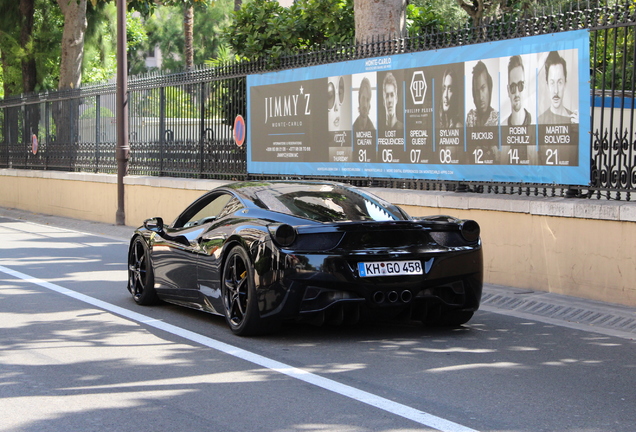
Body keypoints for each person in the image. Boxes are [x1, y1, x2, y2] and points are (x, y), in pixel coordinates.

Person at [539, 51, 579, 124]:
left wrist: (579, 128)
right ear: (547, 85)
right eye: (552, 83)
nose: (556, 91)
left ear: (565, 84)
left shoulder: (574, 120)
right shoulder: (539, 121)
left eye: (560, 82)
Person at [466, 61, 499, 127]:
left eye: (483, 88)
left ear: (489, 88)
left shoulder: (498, 120)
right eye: (477, 91)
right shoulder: (470, 119)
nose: (481, 97)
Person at [503, 55, 532, 126]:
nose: (516, 93)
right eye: (512, 87)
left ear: (525, 87)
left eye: (520, 85)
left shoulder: (536, 125)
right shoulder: (501, 129)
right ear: (508, 90)